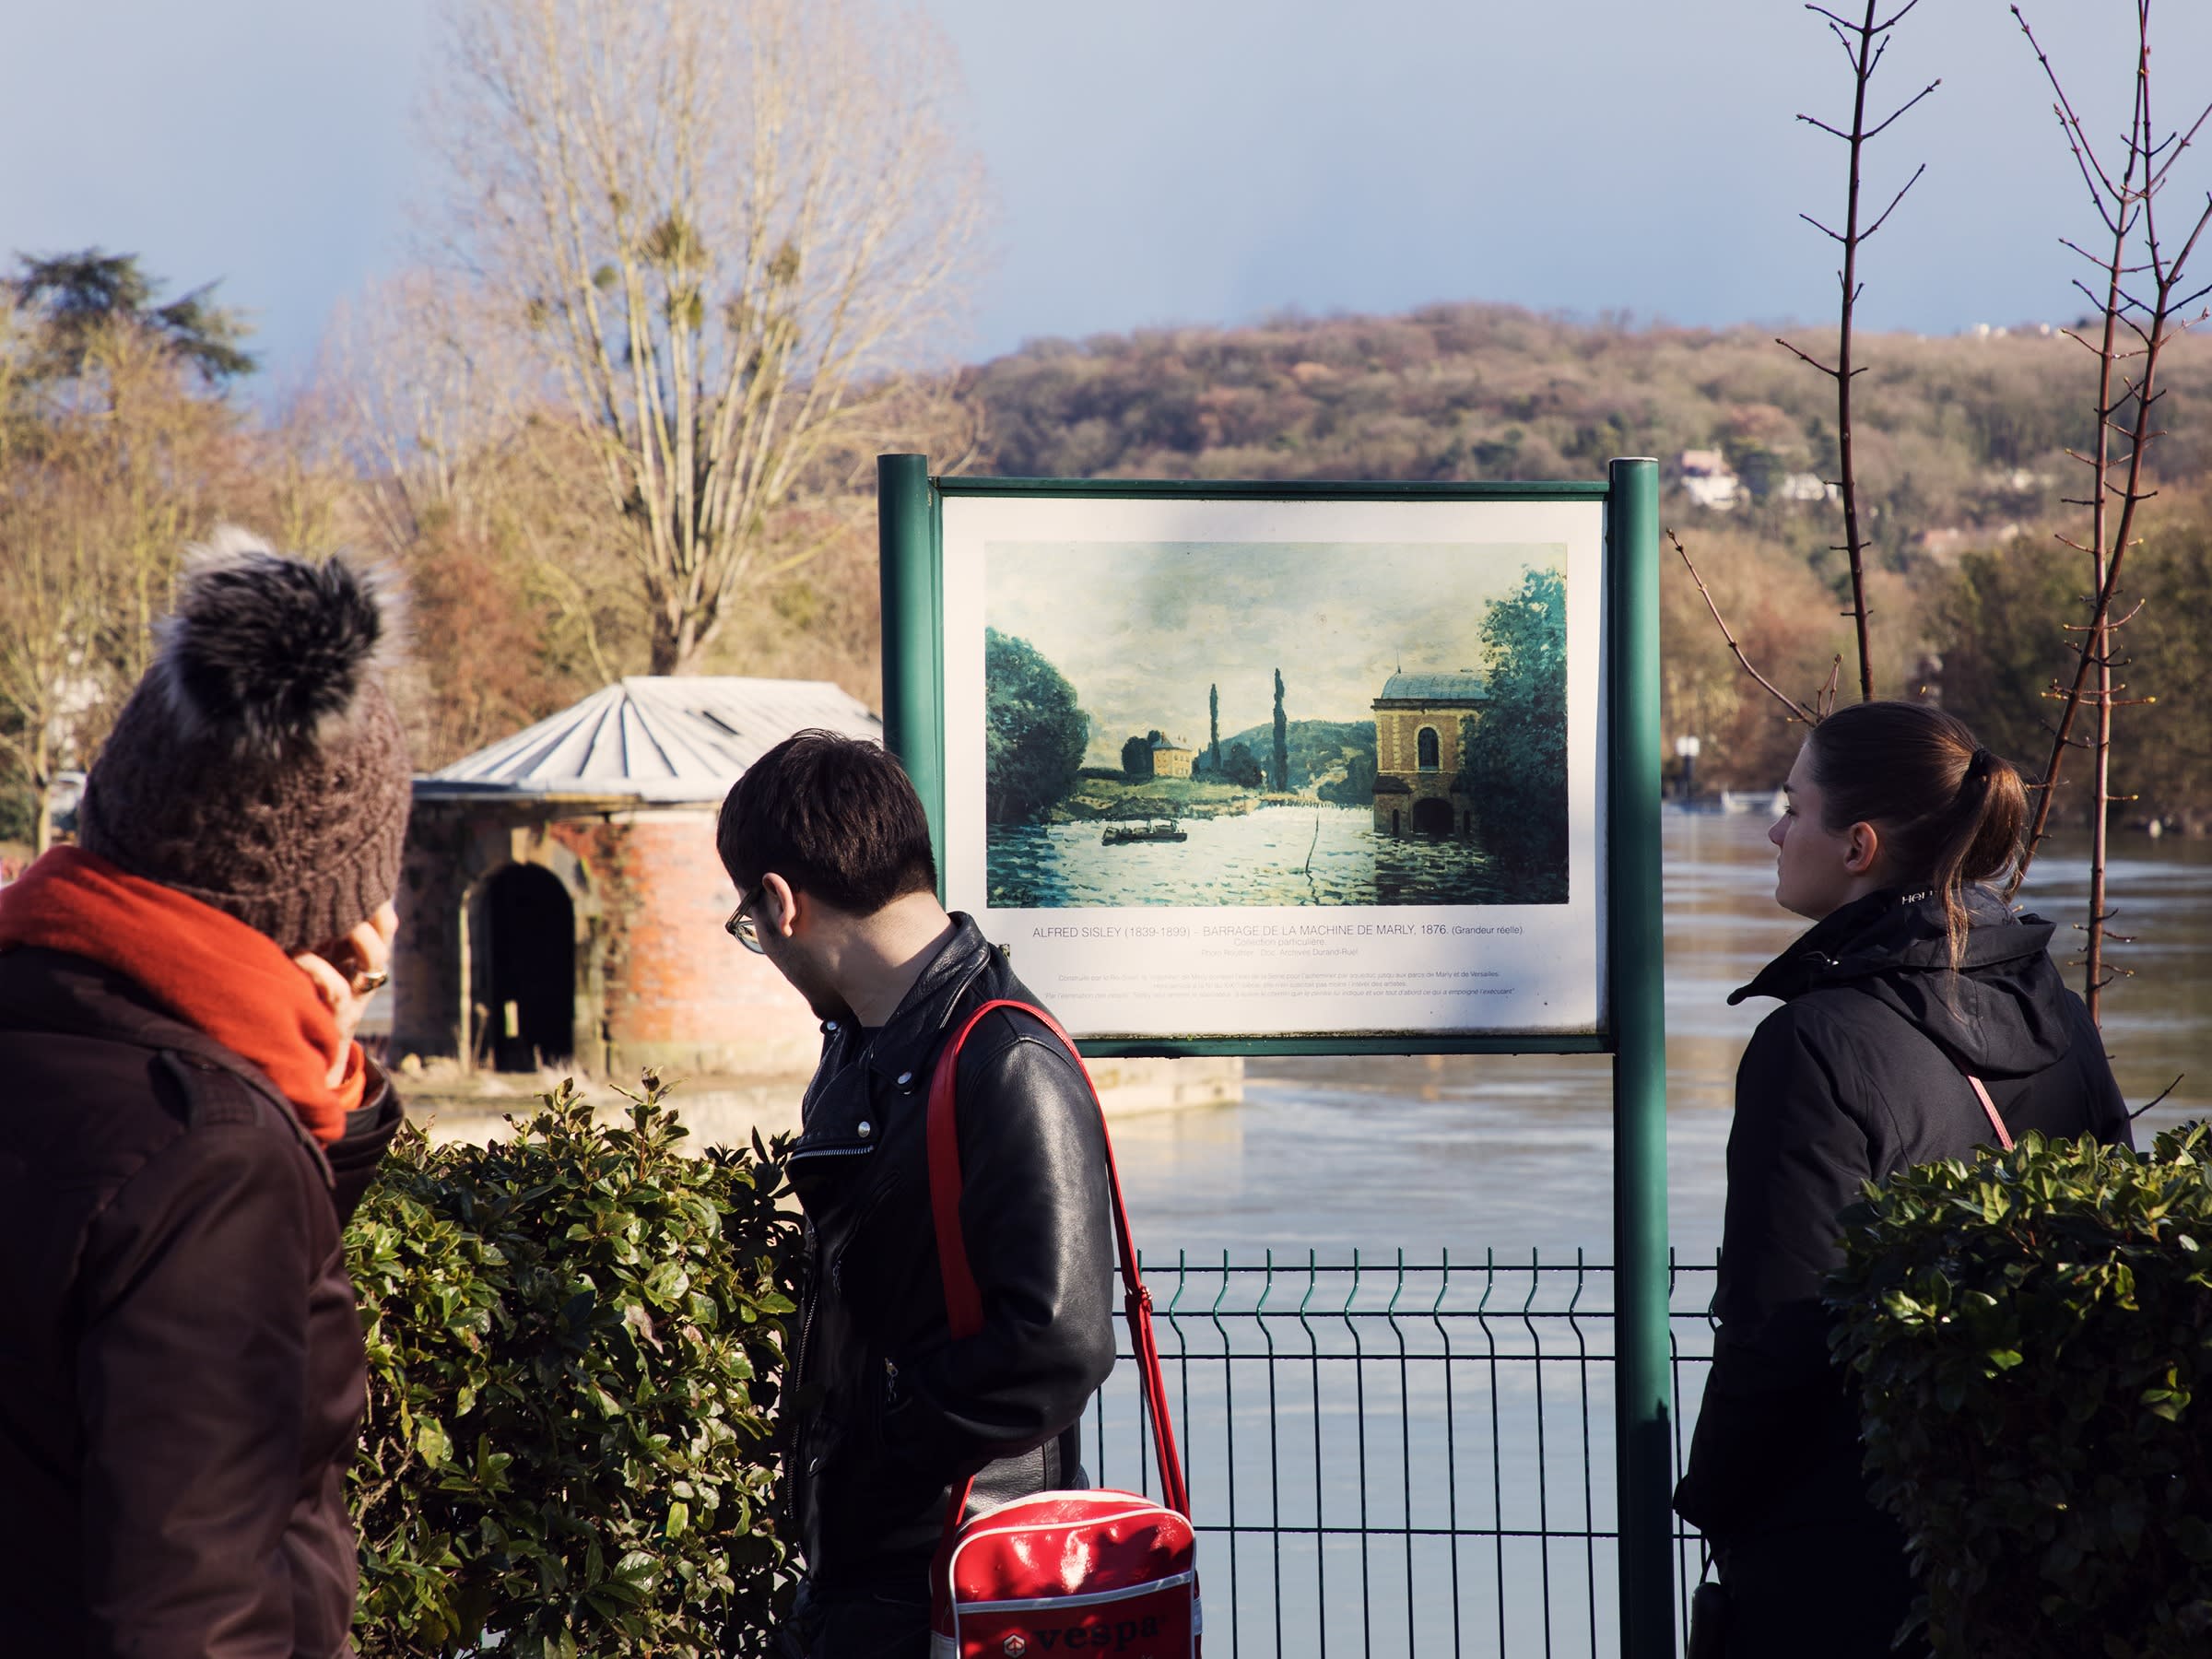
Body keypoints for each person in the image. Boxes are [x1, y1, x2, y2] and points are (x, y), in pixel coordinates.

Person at [0, 533, 413, 1656]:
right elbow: (191, 1612)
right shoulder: (210, 1160)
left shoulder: (50, 1021)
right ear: (333, 909)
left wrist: (311, 1082)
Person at [1673, 700, 2134, 1657]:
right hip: (2036, 1539)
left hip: (1841, 1557)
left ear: (1859, 846)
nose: (1772, 828)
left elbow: (1787, 1323)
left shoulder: (1812, 1044)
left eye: (1793, 807)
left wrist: (1710, 1494)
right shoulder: (2058, 1013)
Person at [715, 730, 1116, 1658]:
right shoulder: (868, 1040)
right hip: (879, 1568)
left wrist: (880, 1427)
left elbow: (1058, 1343)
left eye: (750, 926)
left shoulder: (1003, 1055)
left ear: (779, 903)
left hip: (960, 1583)